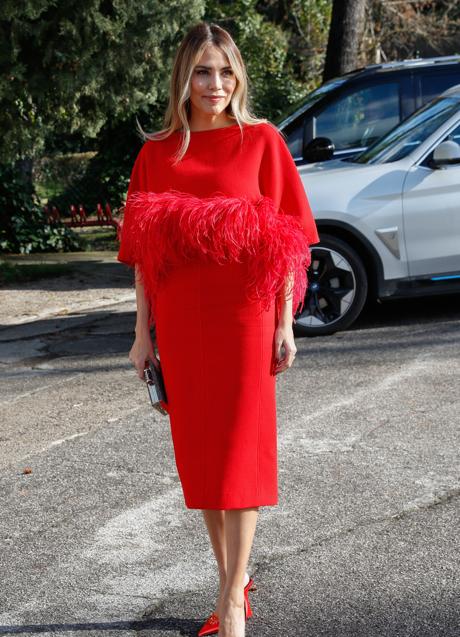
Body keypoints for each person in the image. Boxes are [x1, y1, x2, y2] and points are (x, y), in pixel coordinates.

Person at [117, 21, 319, 637]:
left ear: (239, 77)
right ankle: (234, 579)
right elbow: (144, 259)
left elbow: (288, 244)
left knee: (241, 456)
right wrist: (142, 334)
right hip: (181, 322)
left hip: (245, 317)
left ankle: (231, 602)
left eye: (226, 71)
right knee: (202, 459)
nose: (216, 84)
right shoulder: (157, 153)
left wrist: (286, 323)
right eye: (203, 71)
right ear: (184, 76)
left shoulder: (261, 142)